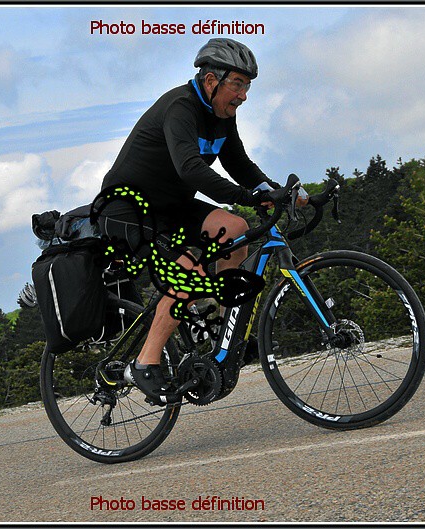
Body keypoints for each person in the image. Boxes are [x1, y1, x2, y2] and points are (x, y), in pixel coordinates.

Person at [97, 38, 282, 404]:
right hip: (128, 211)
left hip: (172, 207)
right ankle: (145, 362)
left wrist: (278, 192)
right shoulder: (180, 108)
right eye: (238, 84)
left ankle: (225, 336)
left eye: (247, 86)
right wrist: (246, 197)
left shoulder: (221, 116)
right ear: (212, 81)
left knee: (236, 230)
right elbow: (191, 169)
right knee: (188, 274)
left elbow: (239, 164)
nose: (244, 95)